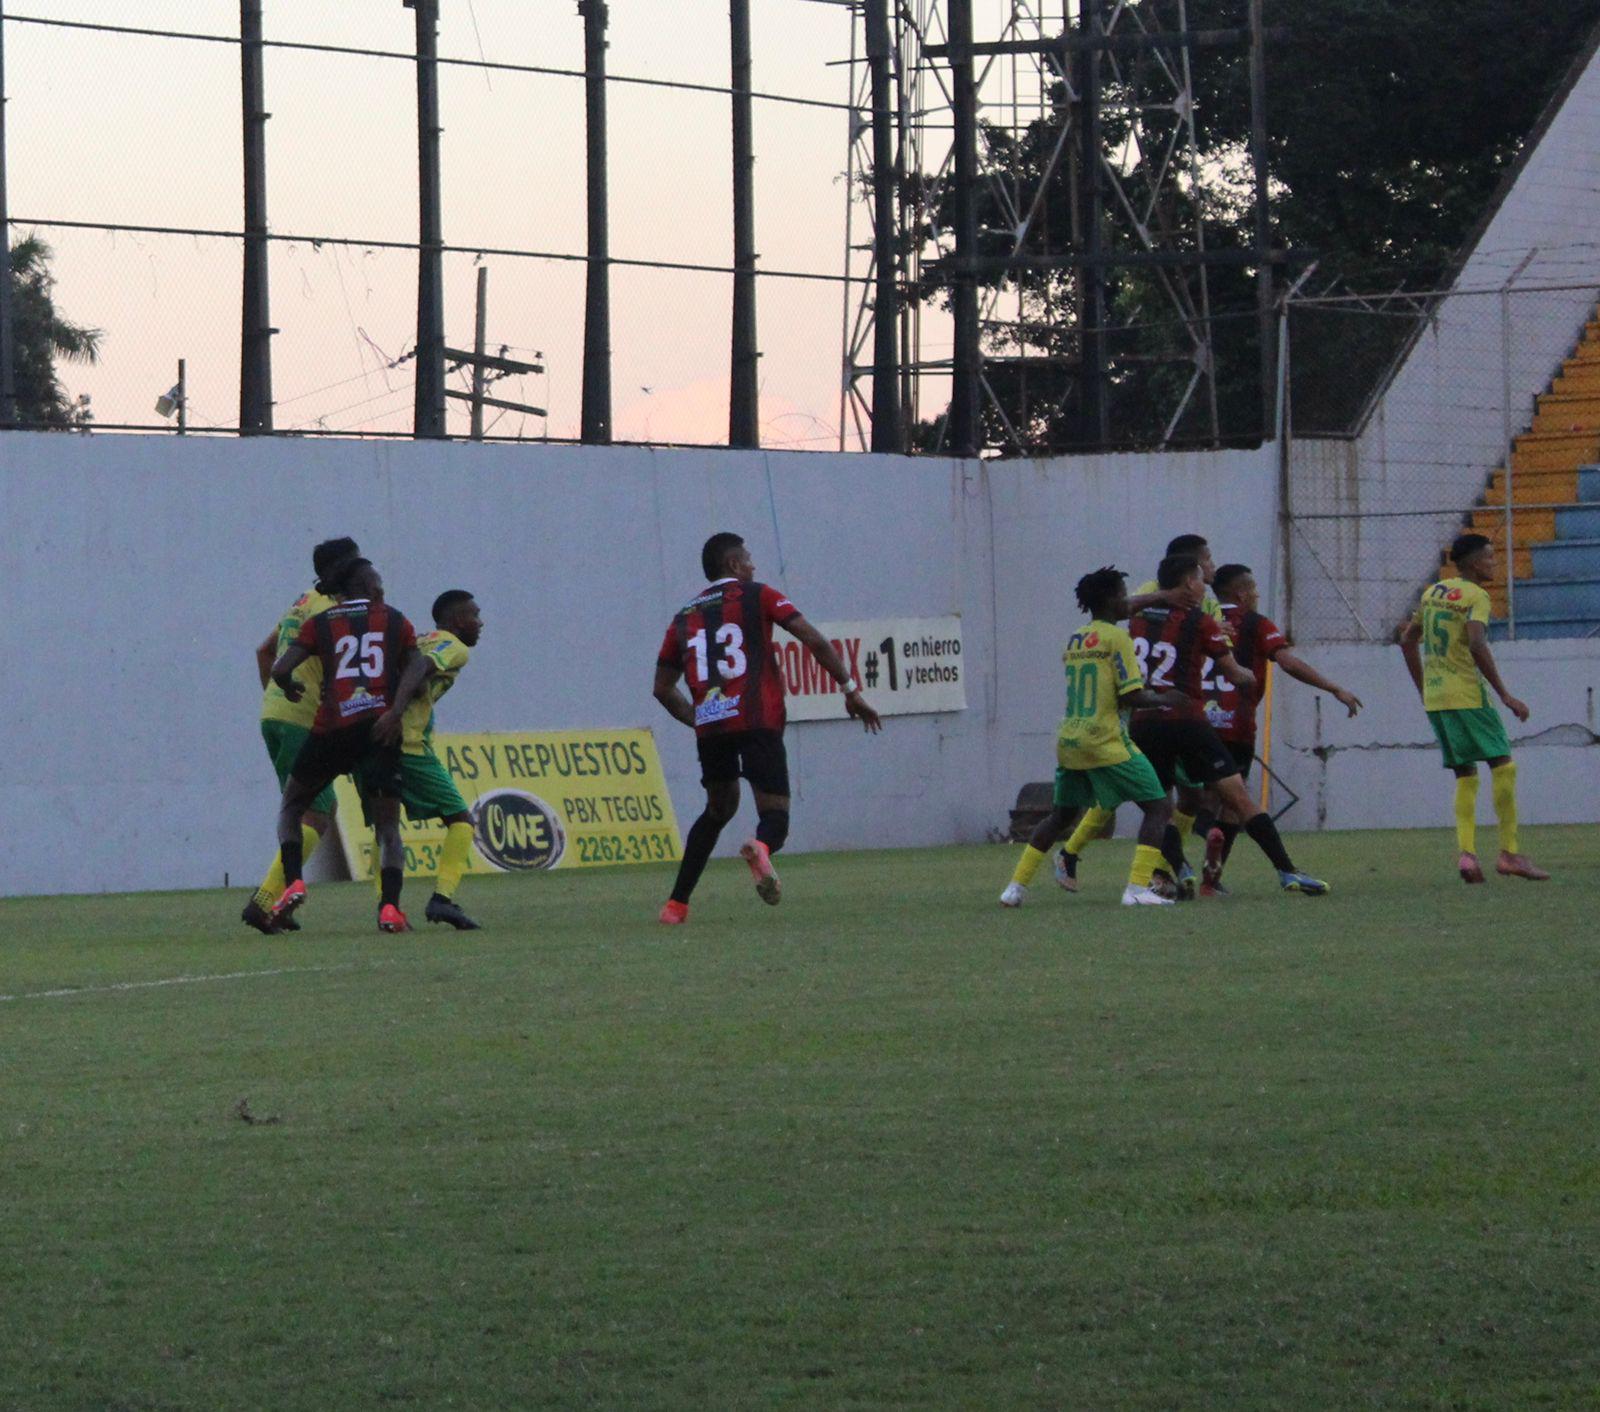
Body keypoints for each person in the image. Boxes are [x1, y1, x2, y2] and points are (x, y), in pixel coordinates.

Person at [652, 532, 882, 923]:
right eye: (748, 559)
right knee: (775, 816)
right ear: (734, 566)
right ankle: (760, 847)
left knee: (717, 810)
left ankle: (676, 905)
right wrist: (849, 689)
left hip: (713, 727)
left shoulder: (684, 616)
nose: (754, 566)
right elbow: (813, 639)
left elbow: (662, 688)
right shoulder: (758, 595)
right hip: (758, 720)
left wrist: (701, 717)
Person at [1000, 567, 1188, 908]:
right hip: (1104, 739)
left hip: (1070, 740)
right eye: (1122, 594)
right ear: (1109, 600)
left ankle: (1015, 889)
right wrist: (1166, 699)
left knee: (1060, 816)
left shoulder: (1076, 638)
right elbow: (1133, 695)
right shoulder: (1117, 639)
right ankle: (1135, 889)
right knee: (1159, 806)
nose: (1127, 601)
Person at [1058, 532, 1230, 889]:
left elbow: (1214, 640)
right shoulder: (1150, 591)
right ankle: (1079, 854)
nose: (1213, 567)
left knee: (1191, 794)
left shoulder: (1206, 602)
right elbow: (1119, 614)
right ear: (1190, 570)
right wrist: (1163, 598)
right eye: (1207, 561)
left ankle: (1168, 864)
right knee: (1135, 794)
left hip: (1180, 708)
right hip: (1143, 709)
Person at [266, 559, 425, 932]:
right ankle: (389, 909)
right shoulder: (394, 620)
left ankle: (294, 883)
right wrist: (395, 712)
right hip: (379, 730)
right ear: (369, 587)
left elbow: (279, 668)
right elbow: (417, 667)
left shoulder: (321, 623)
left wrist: (290, 688)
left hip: (332, 729)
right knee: (387, 828)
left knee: (292, 806)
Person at [1201, 563, 1363, 895]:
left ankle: (1188, 874)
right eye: (1255, 589)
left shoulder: (1202, 622)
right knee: (1237, 802)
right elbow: (1287, 662)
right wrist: (1334, 688)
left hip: (1196, 724)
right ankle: (1278, 869)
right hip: (1235, 727)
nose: (1258, 594)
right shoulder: (1255, 624)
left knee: (1191, 799)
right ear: (1242, 593)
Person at [1398, 533, 1547, 883]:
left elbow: (1407, 640)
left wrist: (1424, 689)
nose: (1494, 563)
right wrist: (1506, 695)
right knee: (1503, 765)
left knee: (1465, 774)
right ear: (1472, 563)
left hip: (1437, 699)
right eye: (1490, 557)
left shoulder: (1433, 592)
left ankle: (1467, 856)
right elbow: (1477, 643)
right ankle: (1510, 853)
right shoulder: (1477, 596)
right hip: (1468, 694)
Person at [241, 536, 362, 935]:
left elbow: (264, 651)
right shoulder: (335, 610)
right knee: (316, 810)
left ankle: (280, 903)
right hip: (298, 721)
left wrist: (277, 700)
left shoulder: (303, 601)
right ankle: (263, 902)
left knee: (310, 809)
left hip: (275, 716)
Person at [368, 590, 485, 930]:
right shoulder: (453, 646)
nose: (481, 623)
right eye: (475, 616)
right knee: (461, 819)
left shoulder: (419, 638)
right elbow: (421, 669)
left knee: (385, 827)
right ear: (457, 620)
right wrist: (404, 705)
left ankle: (387, 907)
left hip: (375, 742)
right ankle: (442, 899)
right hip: (408, 746)